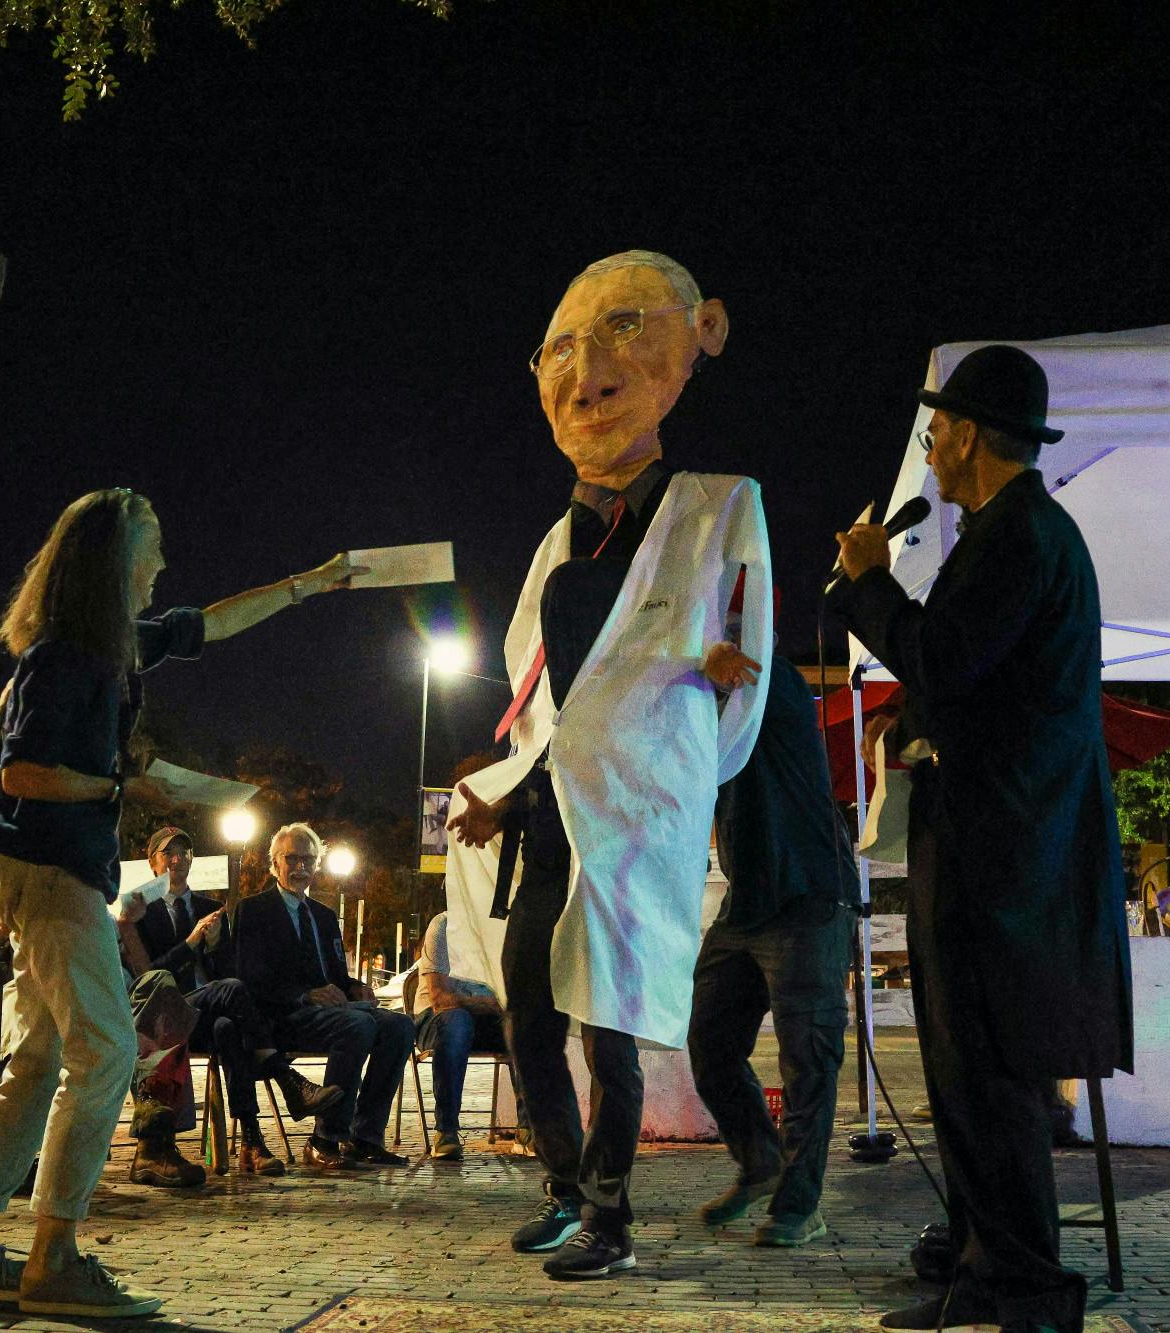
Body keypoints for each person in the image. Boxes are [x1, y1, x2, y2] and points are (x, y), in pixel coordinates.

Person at [0, 487, 359, 1317]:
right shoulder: (67, 656)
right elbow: (22, 773)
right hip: (51, 873)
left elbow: (212, 624)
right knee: (106, 1050)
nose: (163, 563)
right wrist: (129, 784)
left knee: (41, 1058)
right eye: (152, 546)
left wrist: (308, 583)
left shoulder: (113, 646)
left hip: (51, 873)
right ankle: (54, 1256)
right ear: (115, 560)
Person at [444, 250, 773, 1281]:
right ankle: (561, 1185)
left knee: (610, 1025)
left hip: (633, 819)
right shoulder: (554, 542)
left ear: (701, 334)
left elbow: (743, 694)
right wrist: (508, 798)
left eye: (625, 327)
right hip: (549, 827)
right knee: (531, 1020)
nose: (586, 372)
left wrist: (672, 767)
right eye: (558, 350)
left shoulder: (720, 506)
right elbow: (540, 705)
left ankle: (609, 1213)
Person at [828, 344, 1132, 1333]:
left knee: (991, 1078)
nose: (927, 446)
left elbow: (945, 654)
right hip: (991, 847)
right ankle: (980, 1273)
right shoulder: (1013, 532)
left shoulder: (1020, 535)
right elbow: (977, 680)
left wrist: (872, 582)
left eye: (935, 429)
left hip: (1006, 859)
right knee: (966, 1076)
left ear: (966, 434)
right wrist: (909, 711)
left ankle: (1028, 1293)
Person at [689, 655, 860, 1248]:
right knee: (709, 1044)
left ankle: (798, 1205)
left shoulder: (774, 680)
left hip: (810, 896)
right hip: (746, 905)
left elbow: (755, 672)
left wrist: (723, 662)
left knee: (807, 1061)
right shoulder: (701, 710)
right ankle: (761, 1161)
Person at [117, 824, 340, 1180]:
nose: (177, 860)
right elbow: (149, 980)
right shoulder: (141, 912)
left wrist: (215, 946)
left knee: (228, 1027)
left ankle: (252, 1142)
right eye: (168, 854)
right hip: (167, 1016)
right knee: (231, 992)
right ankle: (284, 1079)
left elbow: (229, 973)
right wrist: (190, 944)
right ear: (153, 862)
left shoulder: (211, 908)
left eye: (184, 853)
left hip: (208, 1013)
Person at [224, 822, 415, 1169]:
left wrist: (355, 987)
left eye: (308, 860)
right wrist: (305, 995)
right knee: (357, 1026)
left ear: (317, 864)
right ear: (275, 863)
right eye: (292, 859)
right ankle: (325, 1138)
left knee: (400, 1026)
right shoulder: (253, 910)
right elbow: (247, 978)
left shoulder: (324, 916)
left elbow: (336, 976)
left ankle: (365, 1137)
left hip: (329, 1012)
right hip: (282, 1016)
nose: (300, 867)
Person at [411, 909, 507, 1161]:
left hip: (484, 1017)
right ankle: (446, 1130)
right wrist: (487, 1003)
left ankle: (531, 1128)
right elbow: (440, 999)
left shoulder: (500, 928)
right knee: (457, 1021)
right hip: (437, 1020)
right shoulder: (444, 925)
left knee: (525, 1026)